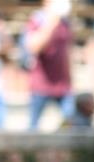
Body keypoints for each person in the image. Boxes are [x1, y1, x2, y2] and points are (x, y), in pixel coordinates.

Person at [24, 0, 74, 130]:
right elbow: (34, 47)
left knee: (69, 123)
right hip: (41, 83)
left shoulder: (65, 22)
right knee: (33, 127)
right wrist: (51, 22)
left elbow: (67, 51)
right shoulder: (37, 19)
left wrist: (70, 79)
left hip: (63, 85)